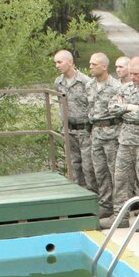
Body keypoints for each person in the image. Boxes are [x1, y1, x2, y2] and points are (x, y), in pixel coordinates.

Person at [104, 56, 139, 230]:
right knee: (120, 178)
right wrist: (129, 107)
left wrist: (124, 110)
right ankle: (119, 215)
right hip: (125, 139)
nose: (133, 77)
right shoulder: (125, 87)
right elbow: (111, 108)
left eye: (136, 74)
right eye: (131, 74)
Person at [53, 49, 95, 190]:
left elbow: (93, 105)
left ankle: (92, 197)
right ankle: (78, 199)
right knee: (73, 166)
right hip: (69, 130)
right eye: (56, 63)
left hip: (85, 130)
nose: (57, 65)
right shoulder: (58, 83)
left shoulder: (85, 82)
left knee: (88, 167)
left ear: (70, 62)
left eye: (60, 62)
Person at [86, 52, 120, 219]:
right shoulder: (90, 85)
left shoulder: (116, 86)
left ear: (104, 66)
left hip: (112, 132)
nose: (90, 67)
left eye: (94, 64)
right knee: (99, 171)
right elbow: (90, 106)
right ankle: (105, 204)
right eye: (90, 64)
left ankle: (119, 206)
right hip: (96, 133)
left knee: (115, 172)